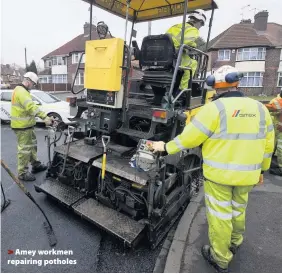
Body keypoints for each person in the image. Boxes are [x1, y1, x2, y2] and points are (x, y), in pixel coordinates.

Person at [150, 65, 275, 272]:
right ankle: (235, 242)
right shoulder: (260, 108)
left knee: (220, 215)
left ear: (214, 86)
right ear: (237, 83)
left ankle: (220, 257)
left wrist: (165, 148)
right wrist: (262, 170)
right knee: (238, 209)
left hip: (220, 176)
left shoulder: (214, 109)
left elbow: (190, 138)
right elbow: (268, 145)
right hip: (249, 175)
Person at [10, 72, 54, 181]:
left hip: (28, 126)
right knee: (25, 150)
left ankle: (36, 164)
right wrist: (45, 117)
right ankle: (22, 172)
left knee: (33, 146)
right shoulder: (21, 92)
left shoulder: (21, 91)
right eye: (33, 84)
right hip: (22, 127)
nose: (33, 86)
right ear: (28, 81)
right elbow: (31, 107)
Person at [166, 9, 206, 91]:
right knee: (193, 64)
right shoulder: (193, 30)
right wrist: (194, 45)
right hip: (175, 56)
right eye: (201, 25)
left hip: (164, 56)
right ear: (199, 22)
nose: (200, 27)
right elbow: (187, 42)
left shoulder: (175, 26)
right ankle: (182, 91)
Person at [265, 88, 282, 176]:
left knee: (280, 148)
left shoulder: (277, 101)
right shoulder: (277, 100)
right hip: (276, 127)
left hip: (279, 128)